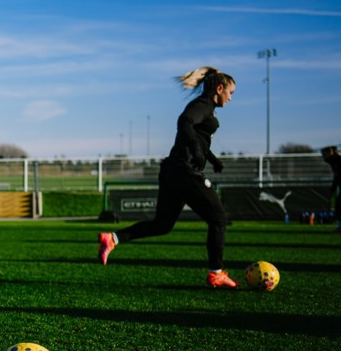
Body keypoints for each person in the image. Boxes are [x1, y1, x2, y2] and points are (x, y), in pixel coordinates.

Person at [98, 67, 238, 288]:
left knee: (162, 225)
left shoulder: (206, 108)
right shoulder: (202, 105)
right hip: (185, 173)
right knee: (219, 219)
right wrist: (196, 149)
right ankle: (216, 273)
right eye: (230, 93)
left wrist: (211, 158)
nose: (230, 98)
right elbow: (184, 122)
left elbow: (197, 138)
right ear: (219, 89)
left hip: (172, 171)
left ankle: (112, 238)